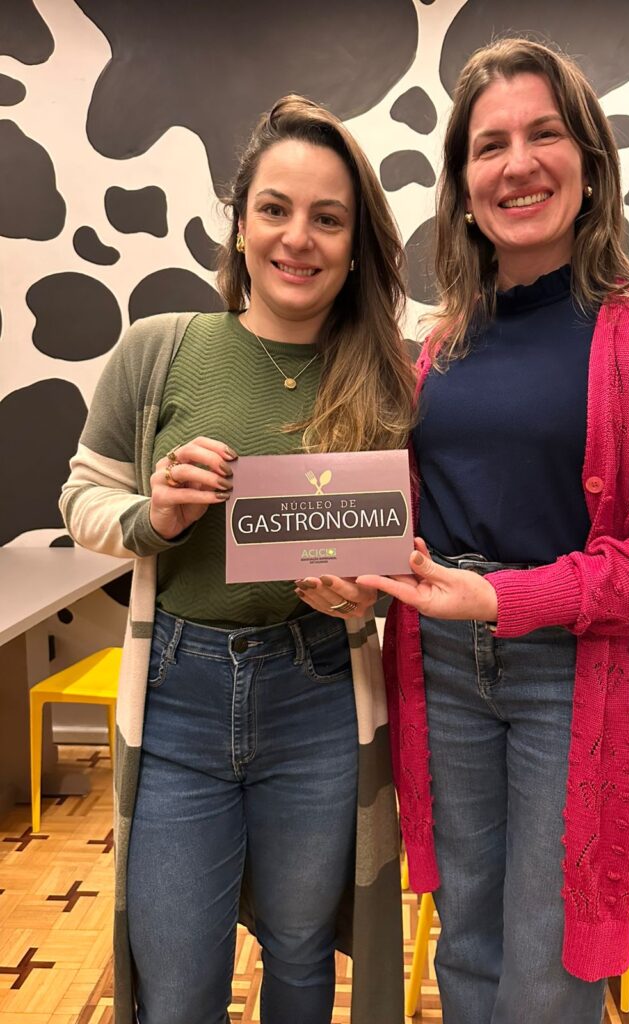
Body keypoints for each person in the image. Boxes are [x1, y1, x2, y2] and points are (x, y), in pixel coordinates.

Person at [352, 37, 629, 1024]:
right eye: (490, 145)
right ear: (464, 187)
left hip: (573, 671)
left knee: (547, 976)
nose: (518, 164)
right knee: (468, 948)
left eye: (544, 134)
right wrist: (350, 567)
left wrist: (506, 597)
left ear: (589, 162)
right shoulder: (435, 345)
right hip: (438, 667)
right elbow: (400, 513)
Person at [60, 95, 414, 1024]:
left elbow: (404, 558)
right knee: (178, 990)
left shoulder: (391, 377)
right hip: (176, 699)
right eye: (275, 209)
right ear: (241, 224)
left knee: (301, 955)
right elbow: (81, 498)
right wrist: (154, 516)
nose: (298, 238)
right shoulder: (160, 350)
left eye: (328, 218)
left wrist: (362, 601)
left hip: (319, 695)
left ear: (356, 243)